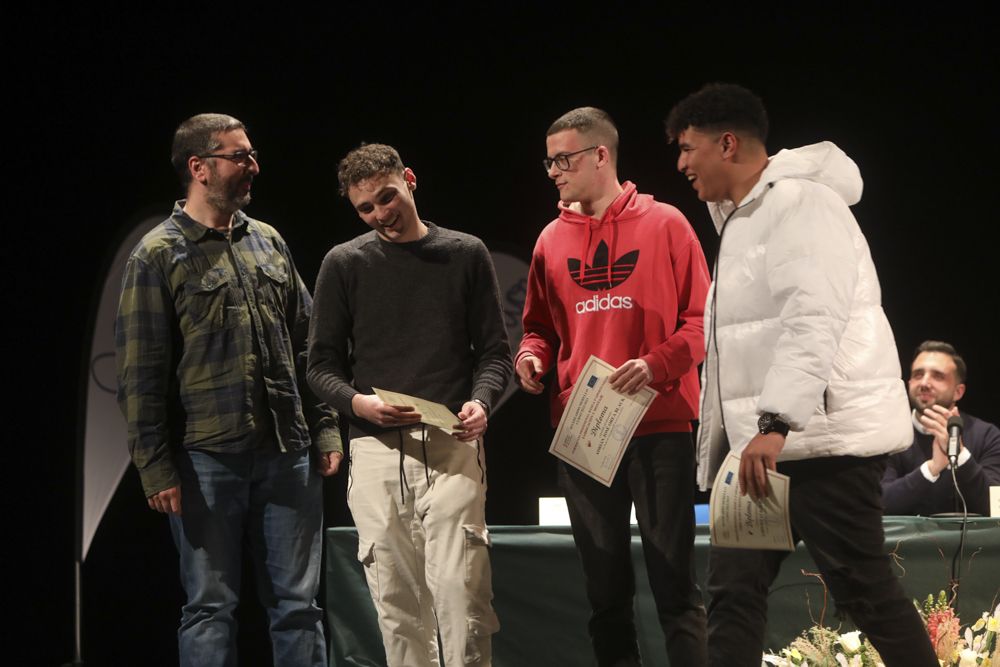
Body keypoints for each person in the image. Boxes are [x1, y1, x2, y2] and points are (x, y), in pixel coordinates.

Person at [665, 83, 938, 667]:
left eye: (688, 148)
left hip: (822, 444)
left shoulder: (801, 205)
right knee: (733, 594)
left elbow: (813, 319)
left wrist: (775, 421)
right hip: (766, 450)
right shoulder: (741, 221)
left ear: (728, 143)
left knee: (863, 589)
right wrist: (740, 442)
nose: (681, 163)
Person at [115, 113, 342, 667]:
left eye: (251, 154)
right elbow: (140, 376)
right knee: (210, 606)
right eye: (239, 156)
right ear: (199, 167)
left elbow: (307, 345)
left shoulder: (268, 242)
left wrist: (326, 426)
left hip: (287, 453)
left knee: (298, 606)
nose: (252, 167)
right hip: (206, 462)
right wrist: (156, 466)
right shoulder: (156, 255)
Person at [516, 107, 710, 667]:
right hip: (586, 433)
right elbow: (539, 328)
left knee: (676, 585)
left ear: (601, 156)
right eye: (548, 161)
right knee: (604, 593)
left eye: (564, 159)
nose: (553, 171)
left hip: (659, 424)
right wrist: (532, 358)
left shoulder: (667, 223)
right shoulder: (550, 239)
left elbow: (701, 324)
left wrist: (655, 365)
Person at [306, 143, 512, 666]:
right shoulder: (345, 263)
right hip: (376, 451)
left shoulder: (464, 252)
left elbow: (493, 354)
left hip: (451, 445)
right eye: (365, 209)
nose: (380, 214)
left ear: (410, 180)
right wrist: (358, 405)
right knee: (397, 607)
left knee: (462, 597)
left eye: (386, 197)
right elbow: (319, 366)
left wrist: (482, 403)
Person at [883, 340, 1000, 515]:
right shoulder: (888, 434)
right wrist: (931, 469)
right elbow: (879, 504)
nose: (924, 383)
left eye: (937, 376)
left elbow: (996, 507)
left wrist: (959, 455)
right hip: (904, 543)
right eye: (917, 374)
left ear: (958, 391)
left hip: (971, 543)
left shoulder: (987, 435)